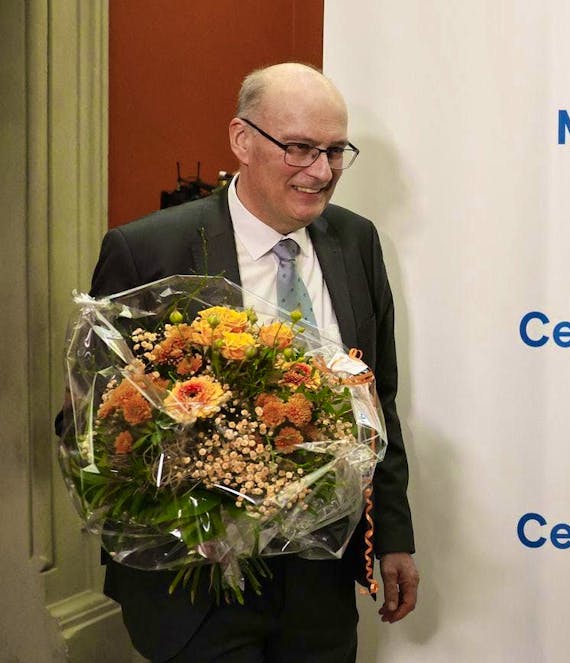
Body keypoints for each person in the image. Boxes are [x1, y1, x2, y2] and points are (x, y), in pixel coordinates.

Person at [83, 62, 418, 662]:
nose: (321, 171)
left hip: (320, 581)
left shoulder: (356, 241)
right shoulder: (147, 249)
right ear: (242, 140)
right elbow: (93, 422)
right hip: (195, 585)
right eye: (300, 148)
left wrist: (392, 535)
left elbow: (378, 399)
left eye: (335, 151)